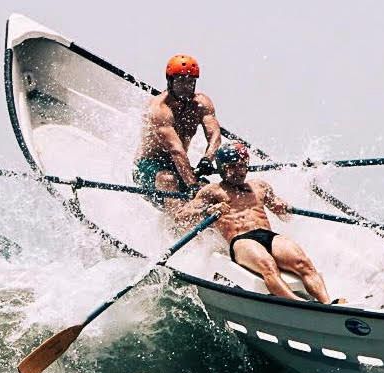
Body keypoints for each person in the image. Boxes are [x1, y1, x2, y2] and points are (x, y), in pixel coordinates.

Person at [177, 143, 338, 304]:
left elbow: (283, 214)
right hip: (241, 240)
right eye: (232, 167)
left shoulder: (259, 186)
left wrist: (283, 207)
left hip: (269, 236)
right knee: (268, 265)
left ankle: (328, 304)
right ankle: (301, 305)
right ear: (221, 168)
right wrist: (208, 211)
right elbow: (182, 216)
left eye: (242, 166)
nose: (238, 171)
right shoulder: (212, 191)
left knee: (304, 263)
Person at [135, 53, 223, 213]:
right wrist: (192, 186)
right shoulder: (160, 109)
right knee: (169, 180)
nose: (186, 86)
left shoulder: (201, 103)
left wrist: (207, 159)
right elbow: (176, 150)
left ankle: (213, 234)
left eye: (191, 82)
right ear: (170, 81)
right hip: (148, 166)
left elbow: (215, 136)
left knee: (209, 189)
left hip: (178, 167)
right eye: (181, 81)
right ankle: (176, 228)